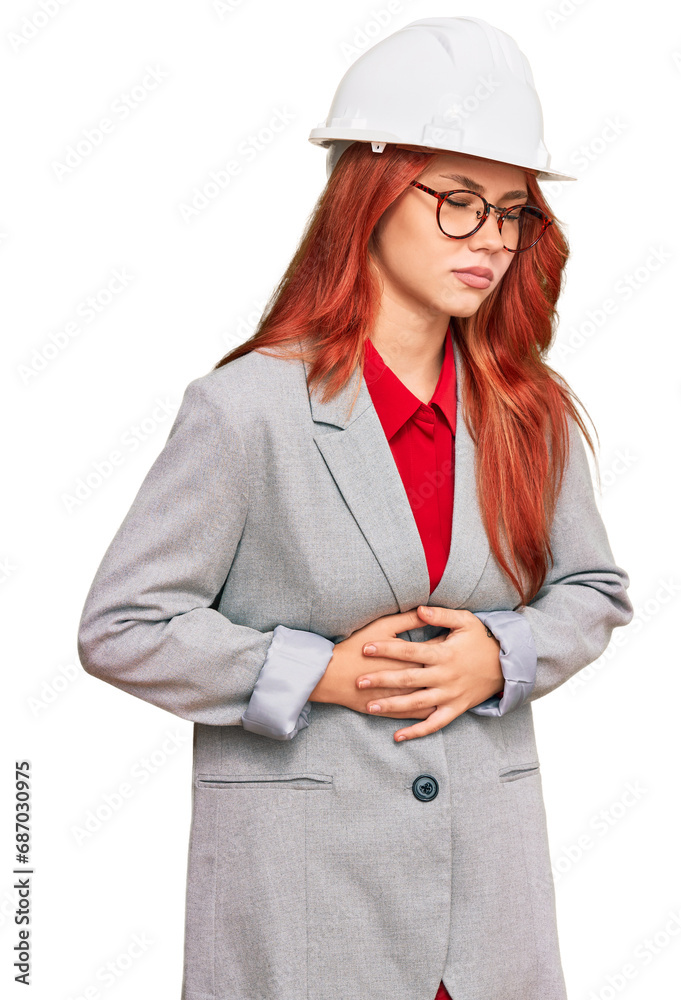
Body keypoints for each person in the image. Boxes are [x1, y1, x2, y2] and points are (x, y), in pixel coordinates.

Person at [76, 16, 633, 1000]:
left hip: (486, 922)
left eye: (511, 212)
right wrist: (314, 672)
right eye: (458, 202)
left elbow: (591, 590)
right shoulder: (244, 413)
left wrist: (501, 653)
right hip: (304, 917)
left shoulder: (525, 411)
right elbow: (123, 627)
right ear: (367, 196)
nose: (491, 241)